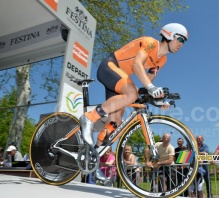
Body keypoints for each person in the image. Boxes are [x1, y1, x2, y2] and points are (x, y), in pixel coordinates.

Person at [79, 23, 188, 151]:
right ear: (169, 34)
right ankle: (89, 117)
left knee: (115, 123)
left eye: (184, 41)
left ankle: (94, 154)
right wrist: (150, 86)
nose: (182, 44)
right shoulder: (150, 43)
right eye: (180, 39)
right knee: (132, 93)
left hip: (120, 78)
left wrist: (158, 100)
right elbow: (137, 65)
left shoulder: (162, 60)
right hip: (110, 66)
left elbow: (147, 84)